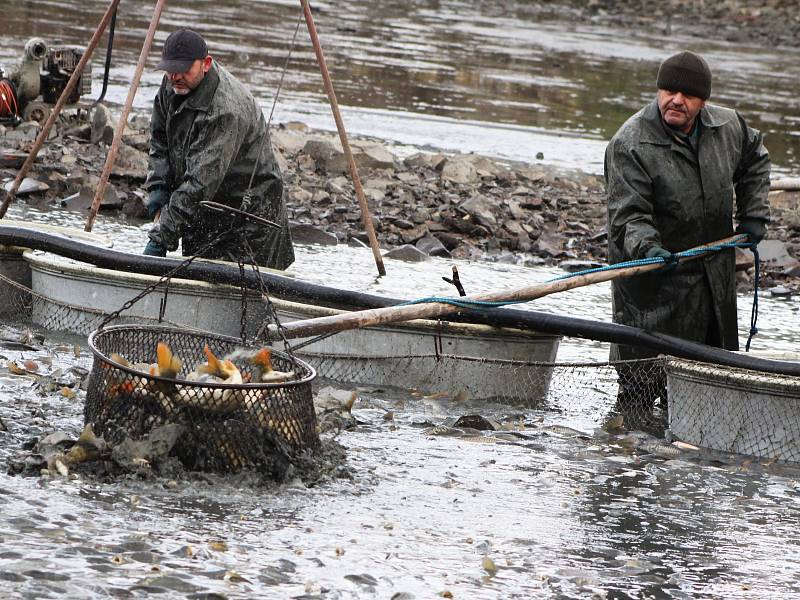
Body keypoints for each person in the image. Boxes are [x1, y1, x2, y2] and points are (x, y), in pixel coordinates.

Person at [605, 50, 770, 408]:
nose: (676, 100)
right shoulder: (629, 144)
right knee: (641, 390)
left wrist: (754, 212)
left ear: (703, 101)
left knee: (710, 385)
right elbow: (627, 216)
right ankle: (630, 453)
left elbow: (756, 156)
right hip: (651, 287)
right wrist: (647, 247)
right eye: (668, 91)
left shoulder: (728, 127)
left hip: (713, 281)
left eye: (688, 95)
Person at [143, 28, 294, 269]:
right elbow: (160, 142)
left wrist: (162, 236)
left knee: (238, 295)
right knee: (192, 285)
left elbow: (201, 183)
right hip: (207, 211)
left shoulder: (226, 111)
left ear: (206, 63)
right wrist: (159, 190)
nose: (175, 77)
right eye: (170, 69)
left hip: (249, 218)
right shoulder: (171, 85)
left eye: (183, 69)